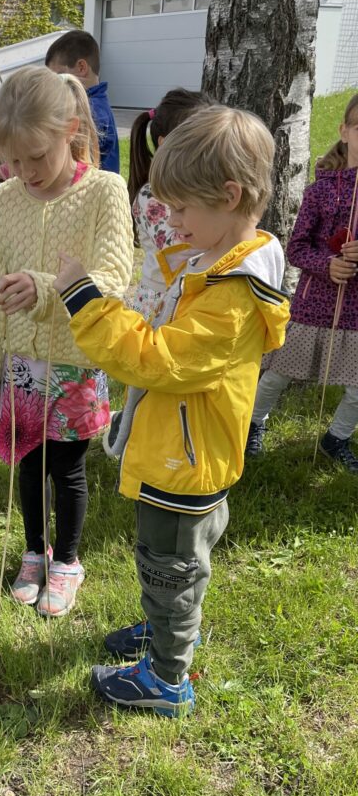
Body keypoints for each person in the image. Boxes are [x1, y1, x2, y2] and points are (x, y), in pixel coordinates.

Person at [54, 105, 290, 715]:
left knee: (170, 566)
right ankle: (169, 629)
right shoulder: (219, 267)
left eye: (182, 210)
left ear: (230, 196)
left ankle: (166, 676)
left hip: (185, 463)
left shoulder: (231, 297)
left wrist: (86, 301)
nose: (172, 221)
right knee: (174, 563)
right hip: (186, 451)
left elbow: (155, 359)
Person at [0, 66, 133, 618]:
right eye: (14, 160)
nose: (26, 171)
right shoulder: (7, 199)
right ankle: (34, 552)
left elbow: (113, 278)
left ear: (69, 130)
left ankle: (68, 560)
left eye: (37, 156)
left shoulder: (105, 191)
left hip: (76, 363)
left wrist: (43, 289)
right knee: (27, 464)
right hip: (20, 366)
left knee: (66, 468)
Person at [246, 92, 358, 471]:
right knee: (279, 373)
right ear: (344, 131)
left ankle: (336, 437)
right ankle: (252, 425)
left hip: (357, 309)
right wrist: (328, 264)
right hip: (314, 303)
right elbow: (296, 247)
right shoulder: (322, 189)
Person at [126, 88, 215, 318]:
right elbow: (179, 248)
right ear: (165, 144)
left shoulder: (201, 191)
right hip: (161, 302)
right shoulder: (150, 195)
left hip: (193, 295)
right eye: (201, 143)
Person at [45, 30, 120, 174]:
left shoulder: (93, 111)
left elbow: (71, 158)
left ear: (81, 67)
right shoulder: (95, 104)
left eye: (58, 76)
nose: (54, 84)